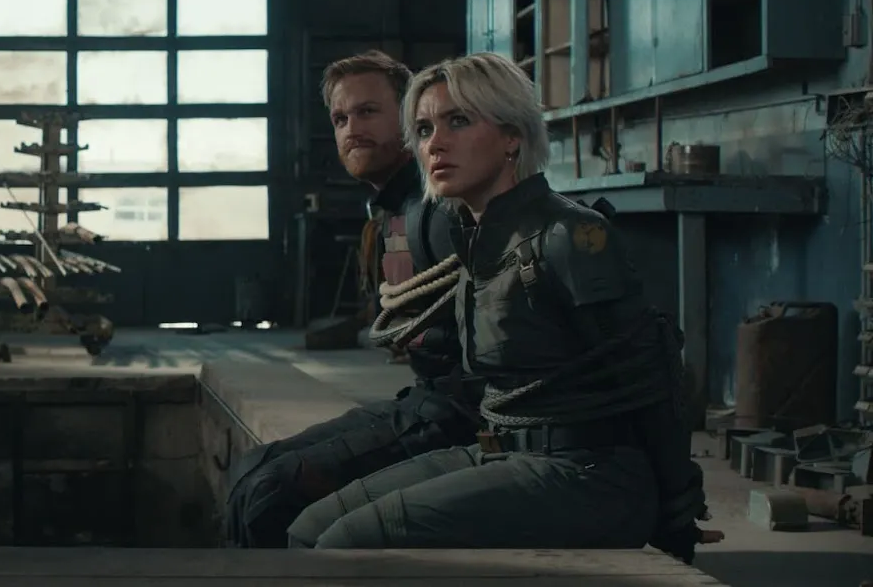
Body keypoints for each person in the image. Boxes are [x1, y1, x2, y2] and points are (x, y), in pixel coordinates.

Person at [285, 52, 718, 562]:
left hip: (586, 472)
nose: (435, 144)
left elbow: (654, 375)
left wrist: (677, 512)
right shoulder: (475, 239)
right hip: (503, 450)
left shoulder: (571, 234)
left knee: (342, 546)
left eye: (458, 121)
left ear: (512, 136)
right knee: (307, 529)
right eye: (423, 130)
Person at [225, 51, 479, 548]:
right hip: (425, 399)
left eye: (367, 112)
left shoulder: (440, 209)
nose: (351, 129)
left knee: (268, 495)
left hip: (461, 416)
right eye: (340, 118)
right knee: (251, 468)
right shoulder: (391, 210)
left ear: (410, 119)